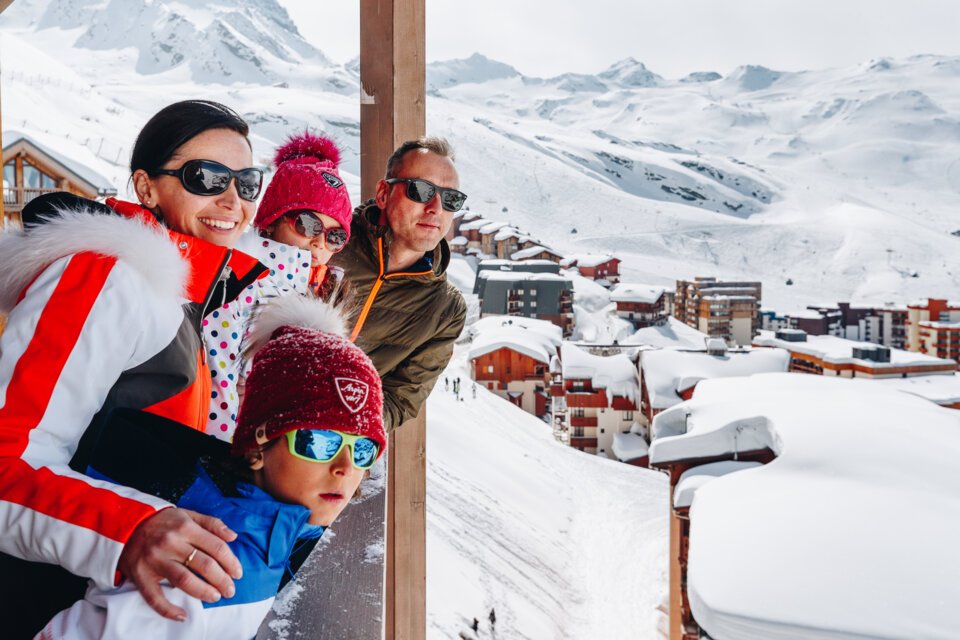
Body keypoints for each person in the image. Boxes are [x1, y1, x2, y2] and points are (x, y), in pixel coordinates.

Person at [0, 100, 268, 636]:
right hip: (34, 600)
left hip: (96, 597)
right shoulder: (105, 278)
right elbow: (7, 460)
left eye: (247, 181)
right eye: (208, 176)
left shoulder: (180, 295)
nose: (232, 199)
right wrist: (129, 528)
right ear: (146, 187)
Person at [39, 295, 386, 640]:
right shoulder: (210, 568)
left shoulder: (267, 531)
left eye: (363, 450)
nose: (344, 467)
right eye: (318, 443)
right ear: (257, 447)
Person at [202, 132, 353, 441]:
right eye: (308, 224)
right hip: (229, 438)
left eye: (335, 236)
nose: (319, 241)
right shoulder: (242, 274)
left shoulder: (327, 290)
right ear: (272, 220)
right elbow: (219, 369)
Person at [330, 137, 468, 431]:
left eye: (451, 198)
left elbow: (400, 398)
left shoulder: (445, 310)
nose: (435, 208)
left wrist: (345, 429)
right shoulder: (328, 243)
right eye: (421, 190)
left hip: (333, 448)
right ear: (383, 194)